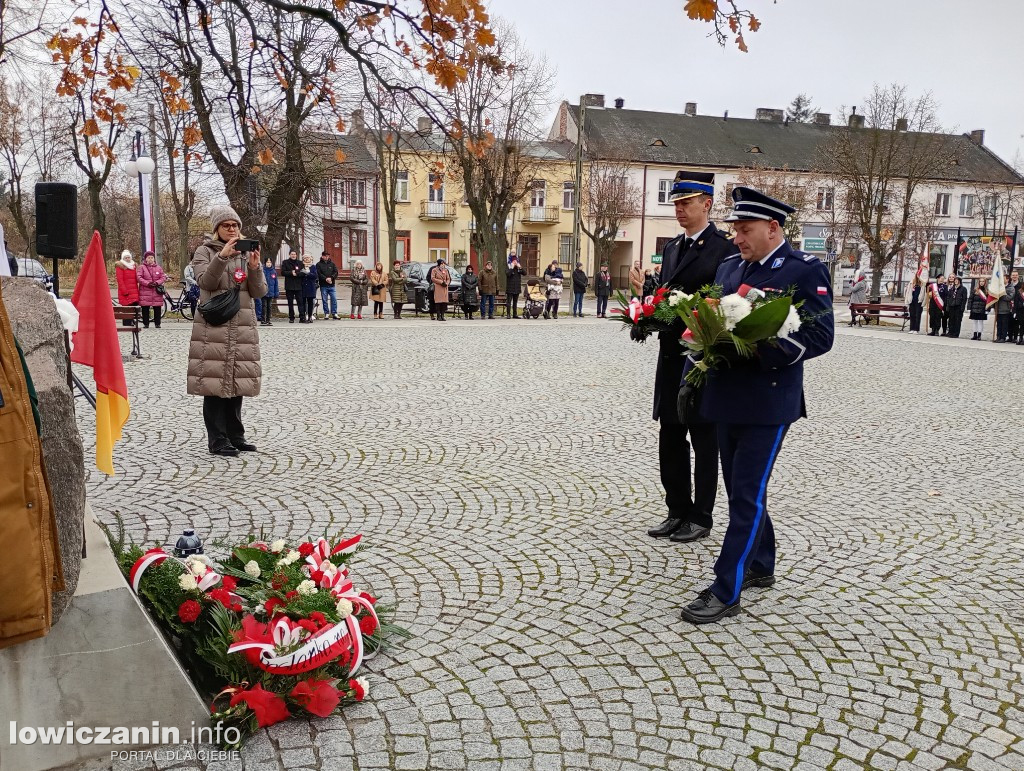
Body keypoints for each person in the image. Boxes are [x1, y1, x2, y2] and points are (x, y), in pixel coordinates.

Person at [678, 186, 834, 624]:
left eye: (745, 230)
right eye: (735, 231)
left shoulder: (803, 270)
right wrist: (701, 340)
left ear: (772, 228)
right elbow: (711, 318)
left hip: (768, 401)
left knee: (745, 494)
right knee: (740, 489)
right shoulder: (730, 267)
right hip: (726, 397)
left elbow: (820, 337)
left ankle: (725, 589)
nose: (738, 239)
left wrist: (758, 349)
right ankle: (761, 565)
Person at [645, 171, 733, 545]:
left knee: (703, 438)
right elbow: (668, 302)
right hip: (670, 357)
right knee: (670, 435)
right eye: (676, 203)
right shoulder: (671, 248)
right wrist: (647, 311)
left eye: (686, 203)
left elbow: (722, 306)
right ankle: (676, 508)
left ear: (706, 204)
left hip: (700, 358)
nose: (679, 209)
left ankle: (701, 515)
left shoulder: (724, 250)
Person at [186, 205, 267, 457]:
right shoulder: (204, 251)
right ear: (216, 228)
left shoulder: (246, 252)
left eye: (235, 225)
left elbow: (260, 291)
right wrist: (221, 257)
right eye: (226, 225)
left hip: (241, 324)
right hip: (215, 325)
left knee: (237, 381)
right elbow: (205, 283)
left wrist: (254, 267)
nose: (232, 229)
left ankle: (236, 435)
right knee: (214, 382)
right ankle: (217, 439)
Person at [137, 251, 167, 329]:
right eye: (149, 258)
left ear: (154, 259)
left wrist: (157, 282)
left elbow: (163, 277)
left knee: (157, 308)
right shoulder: (141, 267)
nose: (150, 259)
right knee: (145, 308)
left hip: (156, 291)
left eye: (152, 258)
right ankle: (146, 323)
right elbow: (139, 278)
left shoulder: (158, 268)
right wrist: (147, 283)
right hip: (145, 291)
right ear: (145, 259)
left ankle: (157, 323)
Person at [115, 250, 139, 326]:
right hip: (125, 290)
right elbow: (120, 280)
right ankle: (127, 322)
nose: (128, 259)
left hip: (134, 289)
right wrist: (124, 291)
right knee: (126, 307)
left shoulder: (134, 266)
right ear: (123, 258)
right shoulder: (120, 266)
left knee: (133, 306)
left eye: (129, 257)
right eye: (126, 258)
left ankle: (131, 320)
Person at [281, 248, 304, 323]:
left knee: (300, 302)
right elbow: (283, 272)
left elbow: (303, 273)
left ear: (296, 255)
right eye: (292, 254)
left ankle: (302, 317)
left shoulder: (300, 263)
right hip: (289, 286)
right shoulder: (285, 262)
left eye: (294, 254)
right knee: (290, 303)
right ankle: (291, 317)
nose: (293, 255)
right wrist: (291, 273)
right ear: (289, 255)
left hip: (298, 286)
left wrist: (297, 274)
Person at [996, 270, 1017, 342]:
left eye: (1003, 278)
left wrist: (1002, 295)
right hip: (998, 308)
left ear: (1007, 279)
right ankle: (998, 336)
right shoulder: (999, 287)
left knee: (1004, 324)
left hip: (1005, 309)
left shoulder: (1011, 288)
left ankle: (1003, 337)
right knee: (998, 324)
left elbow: (1010, 297)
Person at [316, 252, 340, 320]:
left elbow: (335, 272)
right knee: (324, 300)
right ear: (322, 256)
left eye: (328, 256)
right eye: (325, 256)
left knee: (334, 299)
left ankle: (334, 313)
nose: (326, 257)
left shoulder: (332, 264)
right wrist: (325, 278)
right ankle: (326, 313)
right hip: (323, 285)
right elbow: (319, 273)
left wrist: (331, 278)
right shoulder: (318, 264)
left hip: (331, 284)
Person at [300, 254, 319, 322]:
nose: (307, 259)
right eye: (305, 258)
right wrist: (303, 273)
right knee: (303, 302)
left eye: (308, 258)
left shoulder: (313, 267)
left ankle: (310, 316)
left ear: (311, 259)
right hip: (303, 287)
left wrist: (308, 273)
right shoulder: (301, 266)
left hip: (311, 286)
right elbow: (299, 275)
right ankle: (304, 316)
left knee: (310, 302)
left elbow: (315, 276)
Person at [432, 257, 451, 321]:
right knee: (438, 302)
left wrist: (447, 283)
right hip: (438, 287)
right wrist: (441, 282)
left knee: (444, 303)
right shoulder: (434, 270)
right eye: (442, 264)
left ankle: (443, 315)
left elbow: (448, 278)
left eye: (444, 264)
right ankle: (438, 315)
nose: (443, 265)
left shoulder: (445, 270)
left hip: (444, 288)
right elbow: (433, 278)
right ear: (439, 264)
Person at [260, 257, 278, 326]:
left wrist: (276, 292)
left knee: (269, 306)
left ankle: (268, 319)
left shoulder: (273, 271)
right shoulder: (262, 270)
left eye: (270, 262)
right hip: (264, 291)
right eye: (267, 262)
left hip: (271, 291)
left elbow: (276, 283)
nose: (269, 264)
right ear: (265, 263)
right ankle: (263, 319)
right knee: (264, 306)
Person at [1013, 281, 1024, 345]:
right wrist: (1014, 312)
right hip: (1020, 311)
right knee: (1021, 325)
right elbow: (1016, 302)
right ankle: (1020, 338)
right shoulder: (1019, 292)